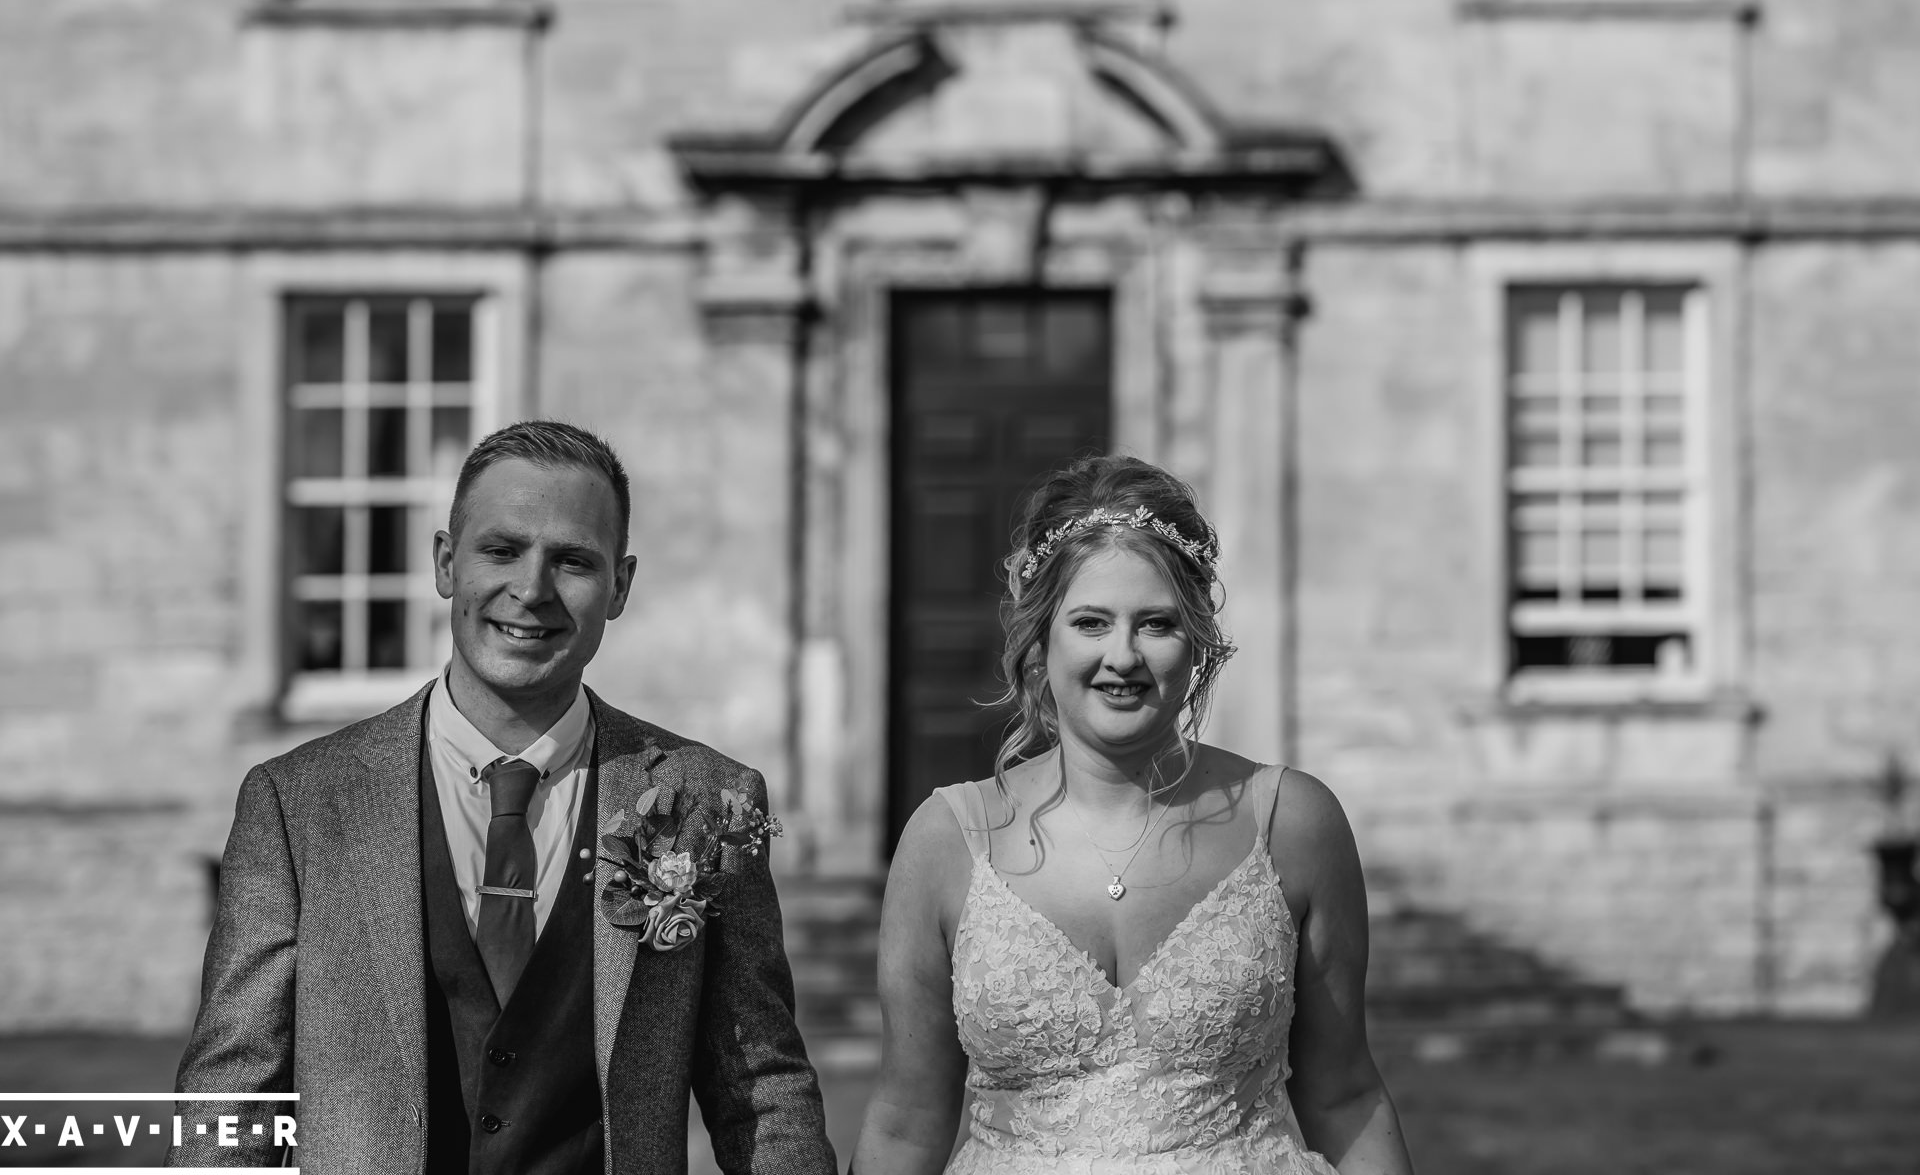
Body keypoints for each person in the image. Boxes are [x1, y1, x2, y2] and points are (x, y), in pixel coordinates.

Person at [171, 420, 836, 1175]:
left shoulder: (705, 803)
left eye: (574, 562)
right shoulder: (297, 804)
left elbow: (761, 1085)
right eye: (501, 550)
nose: (531, 589)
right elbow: (232, 1097)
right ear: (446, 563)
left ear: (620, 586)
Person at [852, 456, 1415, 1174]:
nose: (1123, 656)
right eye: (1090, 622)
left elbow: (1344, 1095)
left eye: (1156, 623)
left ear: (1198, 640)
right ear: (1041, 635)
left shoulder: (1295, 823)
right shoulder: (945, 842)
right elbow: (906, 1121)